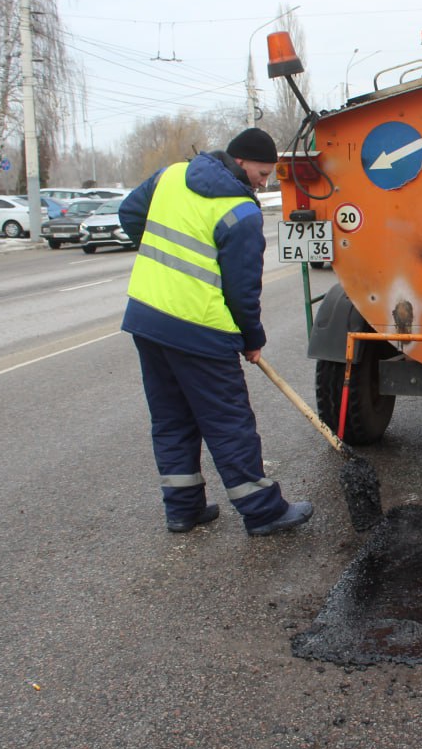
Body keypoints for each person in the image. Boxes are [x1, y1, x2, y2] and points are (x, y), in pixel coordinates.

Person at [118, 127, 313, 535]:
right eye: (262, 174)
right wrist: (252, 339)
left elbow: (130, 214)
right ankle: (263, 512)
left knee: (171, 418)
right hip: (200, 329)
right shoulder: (241, 213)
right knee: (229, 422)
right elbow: (243, 291)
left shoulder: (172, 175)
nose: (264, 184)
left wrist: (164, 267)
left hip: (147, 317)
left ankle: (183, 509)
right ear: (240, 162)